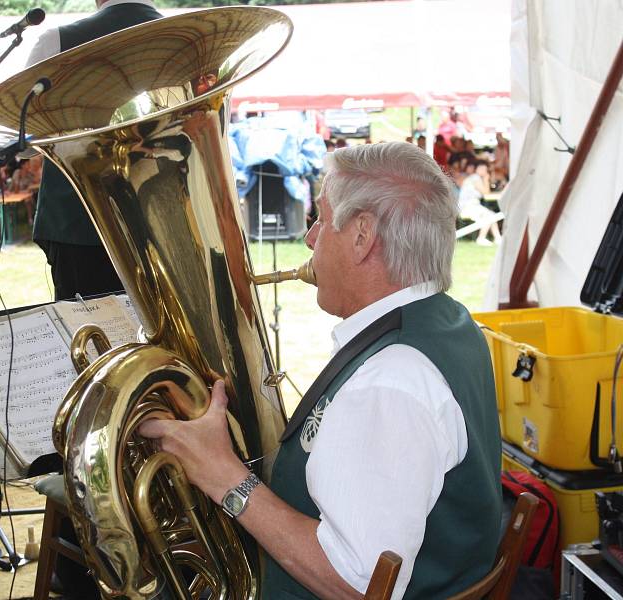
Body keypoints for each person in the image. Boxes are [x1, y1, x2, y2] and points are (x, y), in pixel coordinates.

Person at [140, 142, 502, 599]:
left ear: (362, 236)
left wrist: (222, 474)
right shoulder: (448, 322)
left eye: (322, 219)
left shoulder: (389, 382)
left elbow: (357, 584)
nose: (311, 237)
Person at [26, 2, 163, 596]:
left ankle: (89, 553)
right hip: (156, 220)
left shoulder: (55, 37)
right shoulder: (180, 37)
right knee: (156, 372)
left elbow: (32, 135)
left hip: (75, 226)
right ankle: (154, 522)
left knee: (89, 380)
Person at [26, 0, 162, 302]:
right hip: (163, 221)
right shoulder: (194, 38)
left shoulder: (57, 42)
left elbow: (23, 139)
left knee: (90, 338)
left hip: (78, 224)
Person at [459, 159, 501, 246]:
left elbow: (486, 193)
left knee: (492, 214)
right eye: (483, 169)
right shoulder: (475, 178)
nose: (484, 171)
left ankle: (498, 238)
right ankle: (481, 238)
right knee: (489, 215)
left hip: (470, 206)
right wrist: (486, 179)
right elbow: (486, 192)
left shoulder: (474, 177)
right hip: (467, 207)